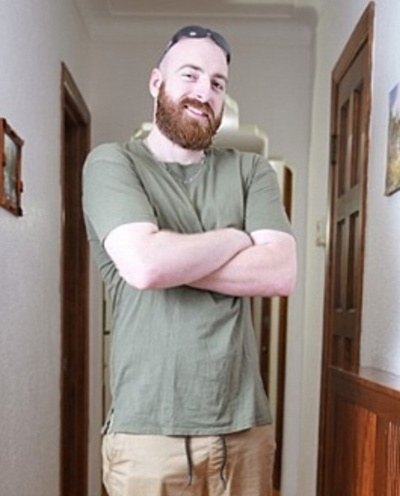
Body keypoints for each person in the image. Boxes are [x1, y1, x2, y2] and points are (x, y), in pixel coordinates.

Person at [82, 24, 297, 496]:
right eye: (190, 75)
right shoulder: (112, 163)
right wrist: (237, 238)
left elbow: (280, 272)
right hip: (147, 435)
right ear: (156, 81)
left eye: (218, 83)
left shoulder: (251, 170)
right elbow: (145, 266)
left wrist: (175, 258)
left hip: (245, 431)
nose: (204, 92)